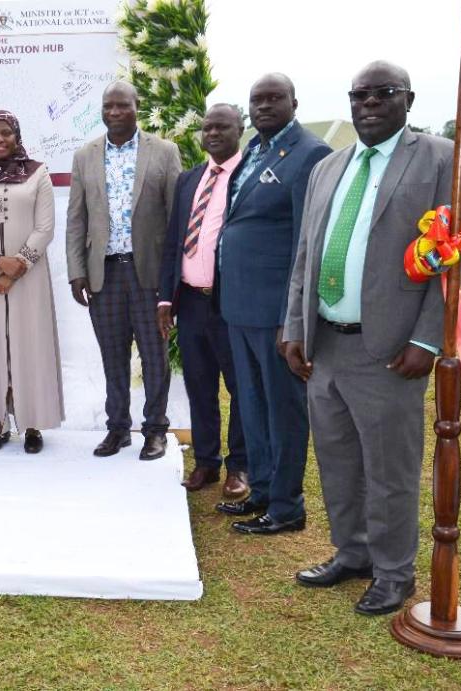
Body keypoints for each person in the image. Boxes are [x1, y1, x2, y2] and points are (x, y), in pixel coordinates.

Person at [285, 61, 461, 615]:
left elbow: (454, 258)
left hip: (391, 349)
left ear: (408, 100)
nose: (369, 102)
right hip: (327, 346)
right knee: (339, 462)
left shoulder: (441, 158)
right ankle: (353, 553)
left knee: (390, 469)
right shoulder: (330, 166)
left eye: (383, 93)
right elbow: (307, 253)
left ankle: (395, 573)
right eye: (359, 94)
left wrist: (428, 338)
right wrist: (295, 327)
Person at [216, 74, 332, 535]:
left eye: (273, 98)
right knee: (253, 404)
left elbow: (307, 241)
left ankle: (287, 506)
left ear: (294, 102)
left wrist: (293, 317)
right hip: (239, 306)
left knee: (283, 409)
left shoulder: (310, 154)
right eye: (256, 100)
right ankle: (262, 490)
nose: (263, 106)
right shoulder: (254, 150)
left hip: (275, 311)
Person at [66, 81, 182, 461]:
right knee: (112, 356)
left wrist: (171, 280)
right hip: (105, 275)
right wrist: (76, 271)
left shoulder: (164, 152)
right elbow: (76, 219)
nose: (114, 112)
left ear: (137, 107)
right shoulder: (85, 156)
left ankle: (155, 429)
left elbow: (175, 219)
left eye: (122, 106)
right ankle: (118, 429)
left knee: (154, 356)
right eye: (107, 106)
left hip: (148, 274)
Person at [157, 104, 248, 500]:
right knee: (198, 384)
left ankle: (240, 466)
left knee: (241, 388)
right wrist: (166, 300)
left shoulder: (249, 178)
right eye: (207, 128)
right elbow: (175, 240)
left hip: (233, 304)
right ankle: (207, 463)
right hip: (191, 302)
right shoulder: (189, 179)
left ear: (239, 129)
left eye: (222, 127)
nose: (212, 134)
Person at [0, 110, 64, 453]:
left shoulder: (38, 174)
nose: (0, 139)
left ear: (16, 135)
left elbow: (45, 229)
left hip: (29, 277)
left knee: (28, 344)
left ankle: (32, 424)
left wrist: (15, 268)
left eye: (6, 132)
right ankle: (0, 422)